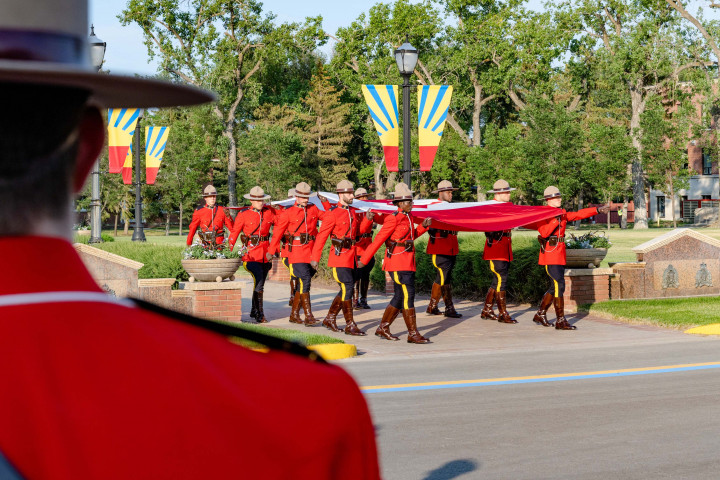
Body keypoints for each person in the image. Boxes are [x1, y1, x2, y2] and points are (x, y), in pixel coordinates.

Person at [0, 2, 380, 478]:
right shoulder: (307, 408)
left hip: (274, 254)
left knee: (270, 287)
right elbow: (214, 228)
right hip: (280, 259)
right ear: (90, 148)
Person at [358, 183, 433, 344]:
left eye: (411, 201)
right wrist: (363, 260)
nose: (411, 204)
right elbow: (378, 240)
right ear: (399, 203)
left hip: (407, 262)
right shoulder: (393, 219)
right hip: (398, 263)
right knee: (408, 296)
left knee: (400, 297)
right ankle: (412, 334)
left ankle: (383, 328)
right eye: (408, 202)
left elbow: (410, 237)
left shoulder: (409, 217)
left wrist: (423, 227)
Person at [532, 186, 609, 330]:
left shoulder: (561, 212)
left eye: (560, 196)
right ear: (548, 199)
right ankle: (560, 320)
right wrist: (556, 219)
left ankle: (540, 314)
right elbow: (543, 232)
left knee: (555, 286)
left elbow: (578, 214)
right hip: (550, 253)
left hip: (559, 253)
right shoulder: (544, 213)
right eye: (556, 197)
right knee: (558, 285)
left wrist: (597, 210)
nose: (560, 199)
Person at [311, 180, 371, 335]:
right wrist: (315, 258)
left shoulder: (352, 211)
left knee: (346, 289)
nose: (352, 195)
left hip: (351, 255)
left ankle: (330, 318)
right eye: (349, 193)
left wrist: (368, 219)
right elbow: (322, 236)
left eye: (352, 193)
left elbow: (358, 233)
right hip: (339, 257)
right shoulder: (332, 213)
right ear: (340, 194)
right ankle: (350, 324)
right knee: (348, 287)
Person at [268, 182, 322, 325]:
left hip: (311, 251)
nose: (306, 199)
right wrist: (271, 250)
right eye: (303, 197)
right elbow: (277, 233)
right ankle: (308, 316)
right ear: (296, 197)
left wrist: (326, 203)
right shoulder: (288, 213)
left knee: (302, 284)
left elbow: (328, 217)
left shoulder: (313, 209)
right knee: (305, 279)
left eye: (307, 197)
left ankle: (293, 314)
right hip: (296, 251)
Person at [228, 186, 276, 323]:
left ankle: (254, 310)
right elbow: (234, 233)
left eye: (262, 199)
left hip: (266, 254)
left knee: (260, 283)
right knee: (259, 280)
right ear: (251, 201)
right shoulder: (243, 215)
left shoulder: (269, 213)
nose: (260, 202)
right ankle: (260, 314)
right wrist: (228, 253)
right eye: (257, 200)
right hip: (251, 255)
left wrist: (273, 249)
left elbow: (280, 226)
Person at [481, 179, 518, 324]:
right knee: (502, 280)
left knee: (497, 280)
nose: (509, 195)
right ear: (500, 193)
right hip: (495, 249)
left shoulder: (507, 207)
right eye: (507, 192)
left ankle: (487, 309)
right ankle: (503, 313)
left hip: (504, 249)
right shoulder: (490, 208)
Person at [425, 180, 462, 318]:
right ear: (440, 193)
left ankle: (433, 306)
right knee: (442, 277)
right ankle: (448, 308)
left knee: (445, 278)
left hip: (451, 246)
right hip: (439, 247)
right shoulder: (434, 207)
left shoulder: (451, 207)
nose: (451, 194)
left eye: (451, 192)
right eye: (448, 192)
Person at [353, 187, 376, 309]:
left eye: (365, 197)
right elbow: (360, 230)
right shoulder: (354, 212)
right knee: (357, 275)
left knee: (366, 275)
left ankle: (364, 299)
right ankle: (355, 300)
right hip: (358, 247)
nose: (364, 199)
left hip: (368, 246)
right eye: (361, 197)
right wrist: (368, 218)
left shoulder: (369, 209)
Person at [275, 188, 297, 306]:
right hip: (287, 250)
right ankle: (293, 296)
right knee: (294, 273)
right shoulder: (281, 212)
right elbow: (277, 232)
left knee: (298, 274)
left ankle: (295, 296)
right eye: (290, 198)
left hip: (300, 249)